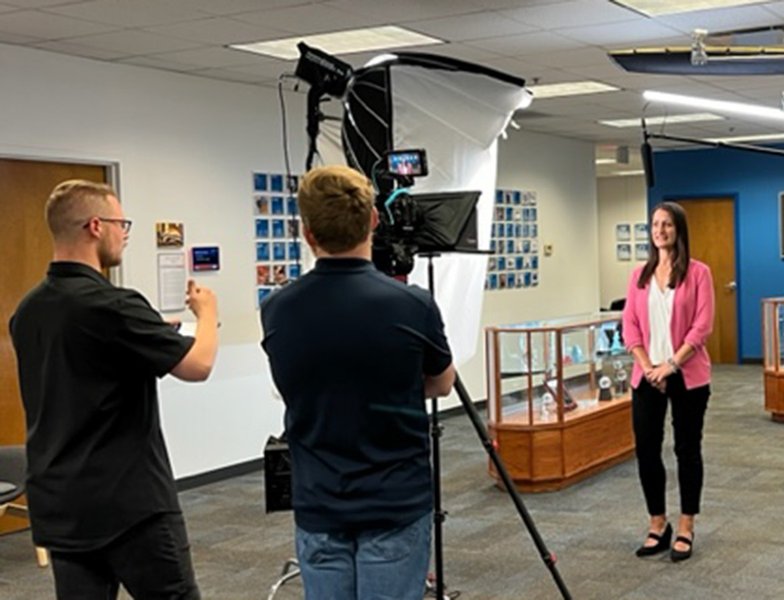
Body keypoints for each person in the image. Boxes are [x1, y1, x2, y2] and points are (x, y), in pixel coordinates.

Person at [9, 180, 219, 599]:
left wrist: (152, 331)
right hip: (129, 505)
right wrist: (207, 312)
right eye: (121, 223)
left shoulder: (28, 311)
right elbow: (198, 365)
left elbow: (87, 358)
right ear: (94, 226)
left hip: (61, 502)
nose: (124, 233)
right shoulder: (113, 304)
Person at [260, 165, 455, 600]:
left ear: (308, 232)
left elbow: (294, 385)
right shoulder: (413, 305)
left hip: (319, 502)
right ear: (372, 220)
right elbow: (442, 384)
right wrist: (397, 389)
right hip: (395, 501)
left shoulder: (277, 309)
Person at [622, 201, 714, 562]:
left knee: (686, 450)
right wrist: (647, 366)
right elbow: (629, 324)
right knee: (646, 449)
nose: (659, 231)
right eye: (655, 224)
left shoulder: (698, 273)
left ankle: (687, 525)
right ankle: (657, 524)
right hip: (646, 375)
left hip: (687, 375)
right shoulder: (639, 276)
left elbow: (701, 327)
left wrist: (671, 366)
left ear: (679, 230)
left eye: (667, 225)